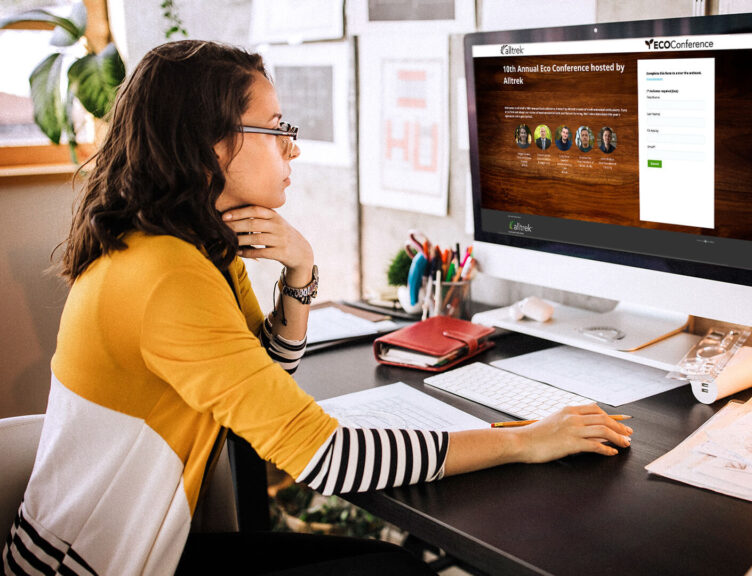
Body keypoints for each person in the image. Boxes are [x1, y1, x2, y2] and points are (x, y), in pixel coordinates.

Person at [2, 40, 632, 576]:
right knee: (393, 568)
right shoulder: (166, 276)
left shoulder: (192, 249)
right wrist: (523, 439)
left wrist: (300, 274)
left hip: (139, 550)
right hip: (90, 566)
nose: (292, 149)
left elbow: (269, 378)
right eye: (276, 129)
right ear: (209, 145)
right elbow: (326, 458)